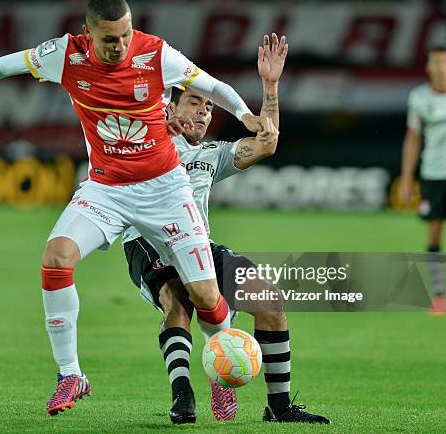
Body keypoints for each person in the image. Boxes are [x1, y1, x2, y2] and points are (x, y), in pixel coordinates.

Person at [0, 0, 274, 415]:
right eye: (109, 39)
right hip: (106, 190)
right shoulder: (65, 55)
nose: (119, 45)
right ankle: (71, 374)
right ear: (88, 34)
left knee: (207, 298)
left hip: (166, 191)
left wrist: (246, 115)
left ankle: (220, 369)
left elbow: (212, 86)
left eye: (124, 34)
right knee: (57, 257)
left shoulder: (155, 54)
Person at [122, 34, 330, 424]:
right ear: (169, 109)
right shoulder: (144, 146)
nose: (203, 113)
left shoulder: (209, 156)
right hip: (148, 245)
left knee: (268, 302)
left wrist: (270, 87)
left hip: (198, 244)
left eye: (208, 106)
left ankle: (279, 407)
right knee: (177, 301)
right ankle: (183, 396)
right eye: (194, 103)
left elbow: (266, 144)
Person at [399, 46, 446, 314]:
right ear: (429, 68)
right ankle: (440, 295)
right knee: (434, 234)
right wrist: (407, 178)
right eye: (436, 63)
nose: (442, 68)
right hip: (432, 174)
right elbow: (413, 137)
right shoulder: (419, 97)